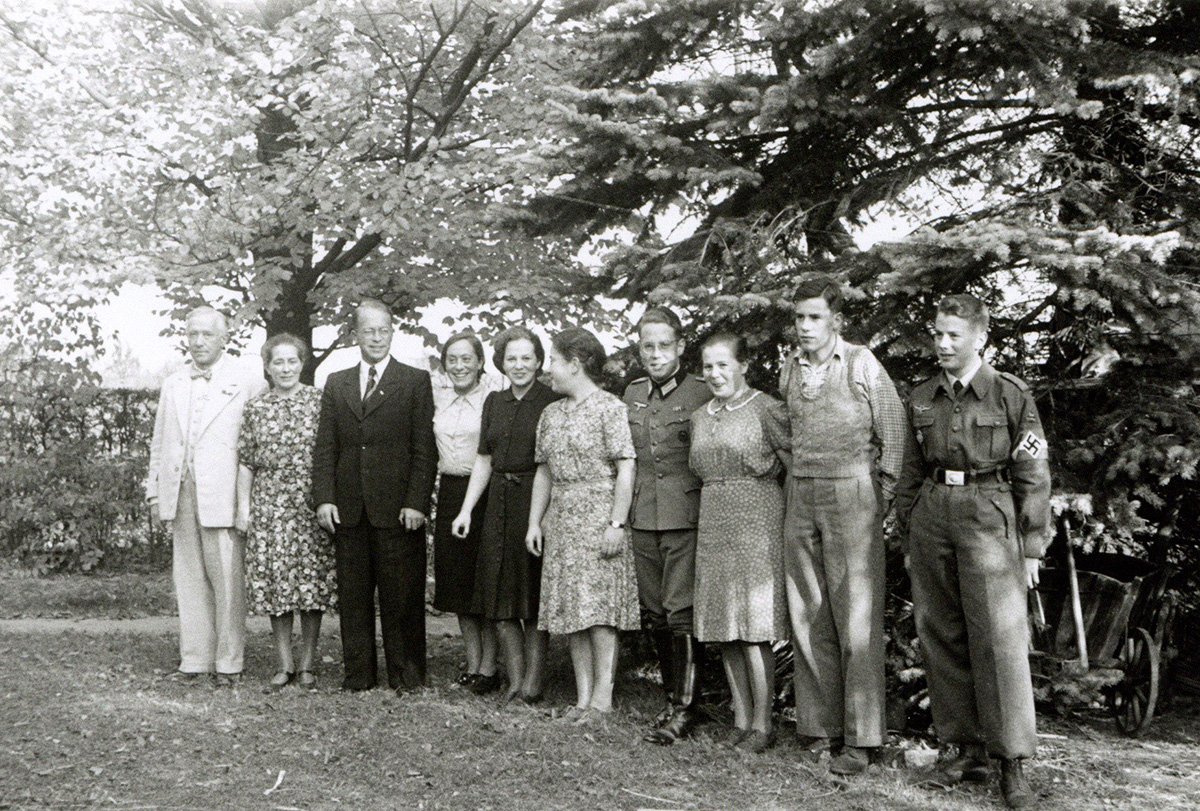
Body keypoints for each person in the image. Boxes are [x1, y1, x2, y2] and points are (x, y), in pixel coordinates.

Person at [895, 294, 1051, 809]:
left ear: (980, 338)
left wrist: (1031, 546)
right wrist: (909, 531)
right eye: (937, 333)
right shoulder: (920, 395)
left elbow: (1033, 472)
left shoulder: (1009, 394)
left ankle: (1012, 762)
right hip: (934, 514)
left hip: (989, 512)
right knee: (941, 632)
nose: (942, 343)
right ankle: (962, 752)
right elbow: (910, 472)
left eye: (953, 335)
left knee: (999, 640)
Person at [779, 276, 905, 774]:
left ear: (836, 319)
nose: (806, 327)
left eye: (815, 318)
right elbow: (789, 431)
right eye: (799, 318)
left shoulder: (860, 362)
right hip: (801, 492)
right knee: (808, 612)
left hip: (853, 493)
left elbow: (892, 431)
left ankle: (861, 738)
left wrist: (882, 496)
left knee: (856, 617)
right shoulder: (789, 368)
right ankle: (818, 727)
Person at [311, 299, 437, 693]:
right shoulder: (337, 381)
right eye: (369, 331)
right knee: (353, 598)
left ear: (392, 333)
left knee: (402, 597)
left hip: (399, 510)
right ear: (357, 334)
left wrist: (416, 501)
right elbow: (325, 446)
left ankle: (407, 676)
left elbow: (424, 449)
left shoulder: (414, 380)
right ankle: (359, 676)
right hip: (349, 508)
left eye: (383, 330)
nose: (377, 338)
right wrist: (324, 498)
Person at [146, 306, 266, 686]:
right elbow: (159, 444)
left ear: (223, 338)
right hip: (181, 492)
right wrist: (154, 494)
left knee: (228, 581)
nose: (198, 342)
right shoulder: (173, 382)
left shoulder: (247, 381)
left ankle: (230, 662)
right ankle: (194, 660)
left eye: (206, 335)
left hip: (224, 494)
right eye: (192, 334)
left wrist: (249, 502)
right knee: (189, 578)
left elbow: (256, 448)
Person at [527, 327, 640, 724]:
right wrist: (534, 522)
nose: (549, 370)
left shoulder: (610, 408)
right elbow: (544, 472)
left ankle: (603, 700)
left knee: (600, 612)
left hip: (598, 515)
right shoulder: (551, 413)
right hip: (562, 517)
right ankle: (582, 698)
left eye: (554, 362)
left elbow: (626, 467)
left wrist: (616, 523)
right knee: (571, 611)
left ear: (575, 365)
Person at [689, 334, 791, 754]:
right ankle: (741, 718)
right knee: (724, 628)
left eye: (723, 365)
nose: (715, 374)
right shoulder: (699, 416)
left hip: (757, 518)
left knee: (753, 629)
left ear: (743, 365)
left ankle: (763, 724)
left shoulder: (767, 409)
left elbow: (793, 467)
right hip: (714, 518)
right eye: (708, 367)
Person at [452, 326, 559, 704]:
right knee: (498, 596)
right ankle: (513, 682)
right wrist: (466, 510)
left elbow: (551, 464)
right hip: (496, 500)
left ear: (538, 361)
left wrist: (542, 517)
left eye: (526, 358)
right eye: (511, 358)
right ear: (500, 362)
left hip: (535, 497)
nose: (519, 365)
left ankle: (531, 683)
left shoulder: (551, 400)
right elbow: (484, 458)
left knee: (530, 597)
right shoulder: (494, 402)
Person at [622, 306, 712, 745]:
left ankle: (685, 708)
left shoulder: (700, 392)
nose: (655, 355)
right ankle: (671, 694)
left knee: (680, 610)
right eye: (647, 347)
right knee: (655, 610)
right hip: (643, 516)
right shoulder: (632, 393)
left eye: (663, 346)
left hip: (685, 516)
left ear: (680, 346)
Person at [236, 334, 336, 691]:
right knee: (277, 587)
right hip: (270, 505)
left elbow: (332, 453)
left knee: (310, 587)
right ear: (267, 367)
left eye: (292, 361)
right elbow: (246, 462)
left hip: (311, 504)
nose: (285, 368)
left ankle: (308, 663)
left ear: (302, 363)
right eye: (277, 362)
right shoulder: (256, 407)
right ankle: (284, 663)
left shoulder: (320, 401)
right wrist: (244, 508)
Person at [432, 332, 499, 694]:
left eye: (466, 359)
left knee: (481, 583)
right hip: (449, 491)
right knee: (456, 581)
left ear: (479, 362)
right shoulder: (438, 400)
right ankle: (472, 663)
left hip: (485, 494)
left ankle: (490, 668)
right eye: (452, 359)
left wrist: (472, 506)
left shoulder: (492, 399)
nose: (459, 366)